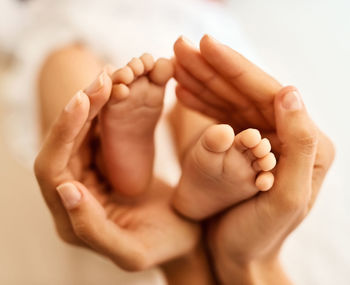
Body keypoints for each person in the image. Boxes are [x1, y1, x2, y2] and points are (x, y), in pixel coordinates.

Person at [34, 35, 334, 284]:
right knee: (205, 109)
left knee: (67, 63)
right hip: (193, 48)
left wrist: (186, 262)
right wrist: (245, 262)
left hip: (86, 19)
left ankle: (112, 161)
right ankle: (197, 153)